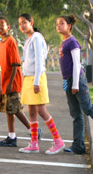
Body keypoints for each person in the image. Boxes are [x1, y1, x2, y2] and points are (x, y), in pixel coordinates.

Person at [18, 13, 65, 155]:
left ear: (31, 22)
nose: (22, 26)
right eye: (20, 24)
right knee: (32, 112)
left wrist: (37, 81)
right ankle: (34, 143)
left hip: (36, 78)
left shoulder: (37, 38)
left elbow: (39, 60)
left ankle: (58, 141)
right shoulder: (28, 40)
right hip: (28, 78)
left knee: (41, 111)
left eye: (24, 22)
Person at [0, 17, 41, 147]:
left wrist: (10, 83)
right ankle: (12, 137)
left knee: (15, 109)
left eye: (2, 25)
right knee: (9, 110)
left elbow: (16, 64)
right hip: (3, 83)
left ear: (8, 27)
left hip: (12, 83)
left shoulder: (11, 41)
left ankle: (34, 131)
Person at [56, 15, 93, 154]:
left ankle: (79, 145)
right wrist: (68, 83)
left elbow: (77, 65)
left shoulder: (72, 42)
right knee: (76, 114)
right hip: (69, 81)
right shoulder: (63, 42)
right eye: (57, 24)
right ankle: (78, 146)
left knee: (88, 109)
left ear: (69, 26)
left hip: (77, 81)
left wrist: (75, 85)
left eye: (61, 23)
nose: (58, 26)